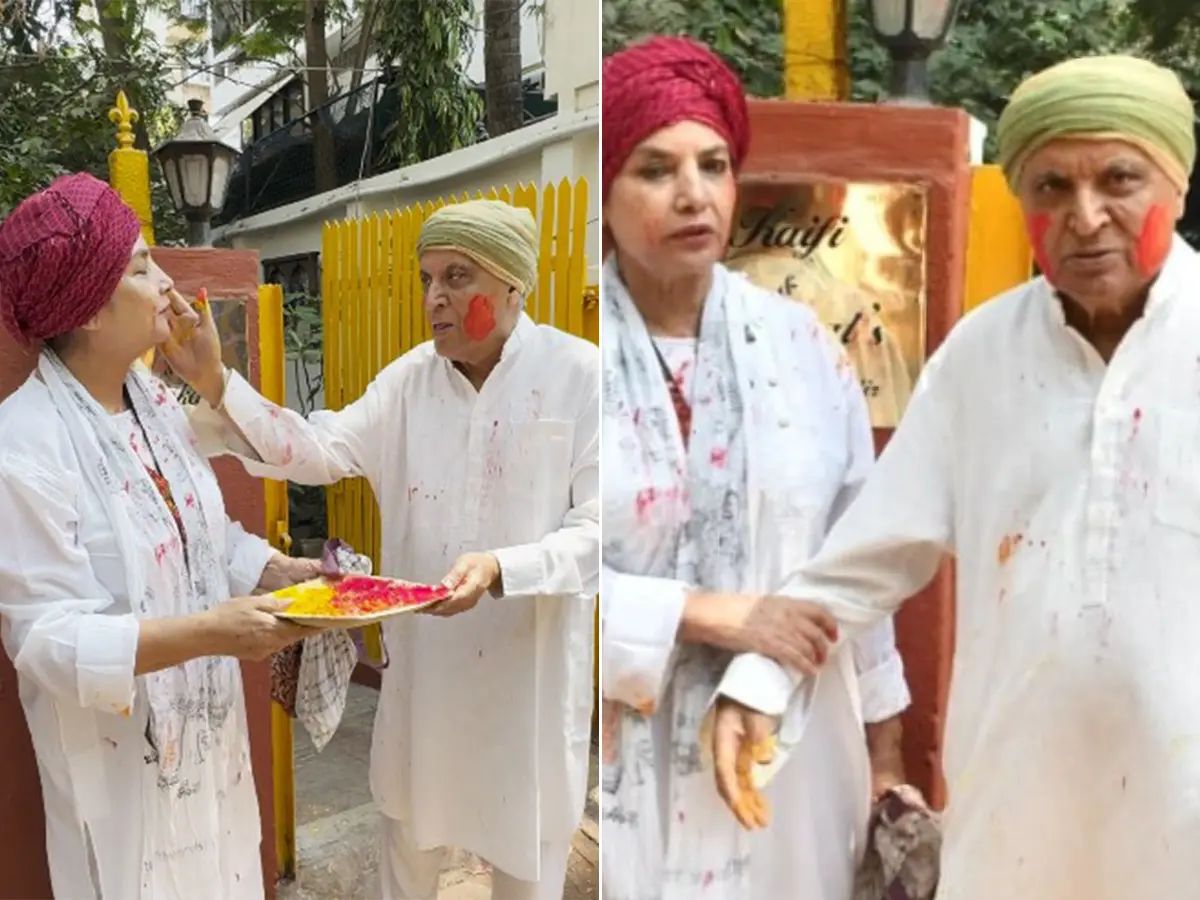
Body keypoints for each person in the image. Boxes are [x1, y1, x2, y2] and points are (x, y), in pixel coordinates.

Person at [710, 54, 1200, 900]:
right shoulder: (982, 356)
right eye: (1050, 187)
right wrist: (760, 678)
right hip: (1016, 827)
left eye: (1120, 179)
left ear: (1177, 182)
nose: (1085, 217)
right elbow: (866, 557)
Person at [173, 198, 600, 900]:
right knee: (408, 849)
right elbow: (316, 448)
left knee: (527, 865)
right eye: (428, 279)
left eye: (457, 277)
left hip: (526, 681)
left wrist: (502, 567)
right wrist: (217, 384)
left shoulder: (579, 376)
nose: (435, 298)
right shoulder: (408, 383)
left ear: (512, 286)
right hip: (425, 683)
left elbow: (601, 530)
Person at [601, 36, 913, 900]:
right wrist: (710, 614)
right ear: (605, 195)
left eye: (713, 164)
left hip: (798, 742)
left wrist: (888, 750)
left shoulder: (805, 349)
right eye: (655, 169)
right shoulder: (567, 365)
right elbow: (543, 573)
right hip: (630, 752)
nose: (693, 193)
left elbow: (863, 550)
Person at [0, 172, 318, 899]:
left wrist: (277, 571)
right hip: (121, 775)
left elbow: (198, 537)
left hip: (207, 754)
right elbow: (45, 639)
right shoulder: (26, 443)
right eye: (141, 266)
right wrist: (210, 632)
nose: (166, 282)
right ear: (86, 310)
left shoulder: (155, 406)